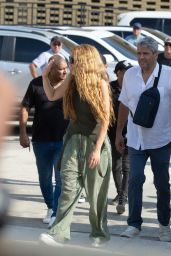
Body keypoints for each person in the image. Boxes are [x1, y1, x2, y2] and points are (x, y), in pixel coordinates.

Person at [40, 44, 114, 247]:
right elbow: (52, 95)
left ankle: (99, 235)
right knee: (68, 188)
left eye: (73, 60)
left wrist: (97, 149)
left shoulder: (100, 83)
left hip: (94, 142)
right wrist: (46, 75)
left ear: (85, 61)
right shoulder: (72, 81)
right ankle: (59, 234)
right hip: (73, 141)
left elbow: (105, 119)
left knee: (95, 193)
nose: (69, 64)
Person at [115, 37, 171, 241]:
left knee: (162, 184)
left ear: (156, 55)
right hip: (135, 139)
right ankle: (133, 224)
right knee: (135, 179)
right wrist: (119, 131)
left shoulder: (168, 75)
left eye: (145, 53)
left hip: (161, 140)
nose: (141, 57)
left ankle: (165, 225)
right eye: (138, 53)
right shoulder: (130, 75)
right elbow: (123, 104)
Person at [19, 55, 69, 228]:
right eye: (61, 69)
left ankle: (55, 211)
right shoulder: (36, 84)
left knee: (60, 178)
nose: (64, 72)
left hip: (63, 140)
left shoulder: (69, 85)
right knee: (44, 178)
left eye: (66, 68)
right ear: (50, 69)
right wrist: (23, 132)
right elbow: (25, 107)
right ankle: (50, 206)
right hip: (41, 140)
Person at [108, 61, 132, 214]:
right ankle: (121, 193)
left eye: (128, 71)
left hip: (131, 132)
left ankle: (123, 197)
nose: (125, 74)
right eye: (122, 71)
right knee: (116, 165)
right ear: (117, 72)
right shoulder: (109, 88)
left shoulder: (134, 86)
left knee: (127, 166)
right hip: (113, 132)